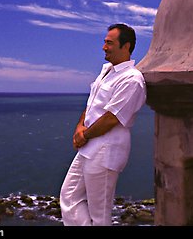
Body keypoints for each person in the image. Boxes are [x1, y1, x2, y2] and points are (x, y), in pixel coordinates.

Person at [60, 23, 147, 226]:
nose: (104, 47)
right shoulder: (107, 71)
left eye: (109, 43)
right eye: (104, 42)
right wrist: (79, 127)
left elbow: (111, 118)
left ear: (126, 46)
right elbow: (92, 105)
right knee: (69, 196)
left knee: (100, 213)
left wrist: (84, 135)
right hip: (89, 147)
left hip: (105, 151)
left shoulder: (132, 80)